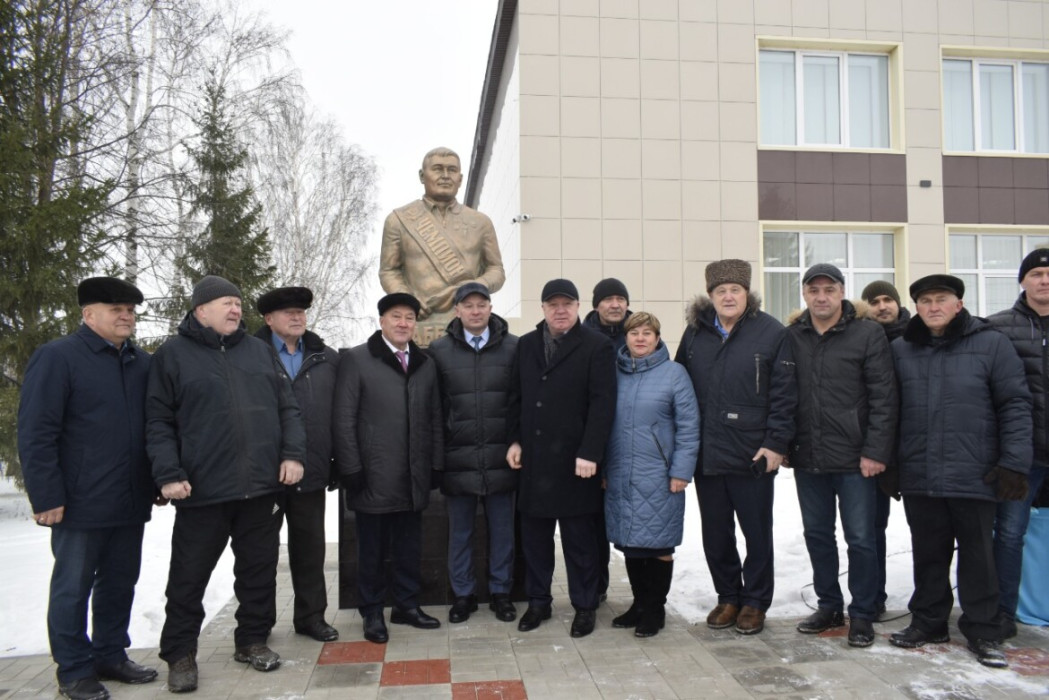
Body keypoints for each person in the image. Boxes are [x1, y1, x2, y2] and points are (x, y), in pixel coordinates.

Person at [147, 275, 306, 693]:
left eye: (238, 303)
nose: (236, 310)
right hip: (201, 491)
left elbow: (287, 408)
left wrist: (292, 454)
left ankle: (252, 640)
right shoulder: (173, 356)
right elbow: (158, 422)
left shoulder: (258, 351)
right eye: (225, 303)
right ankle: (180, 655)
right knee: (188, 578)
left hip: (260, 488)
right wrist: (168, 473)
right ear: (200, 310)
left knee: (258, 572)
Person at [18, 278, 158, 700]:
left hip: (129, 497)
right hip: (78, 502)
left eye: (131, 310)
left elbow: (154, 427)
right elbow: (36, 432)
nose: (125, 316)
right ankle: (75, 670)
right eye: (116, 309)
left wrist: (155, 480)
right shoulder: (58, 358)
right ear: (88, 314)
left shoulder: (141, 362)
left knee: (120, 583)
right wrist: (47, 496)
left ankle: (110, 655)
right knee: (72, 587)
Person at [890, 274, 1031, 668]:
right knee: (928, 553)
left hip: (976, 473)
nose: (934, 307)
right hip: (920, 472)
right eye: (925, 301)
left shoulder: (991, 344)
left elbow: (1015, 405)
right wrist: (890, 462)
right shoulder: (901, 349)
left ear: (959, 304)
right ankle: (929, 621)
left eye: (942, 299)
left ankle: (984, 631)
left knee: (978, 556)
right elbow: (888, 411)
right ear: (916, 307)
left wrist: (1013, 464)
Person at [676, 260, 796, 635]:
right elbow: (679, 387)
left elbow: (786, 395)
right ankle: (728, 596)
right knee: (716, 531)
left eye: (735, 290)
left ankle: (756, 602)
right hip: (708, 452)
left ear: (747, 294)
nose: (728, 297)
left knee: (756, 532)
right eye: (720, 291)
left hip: (753, 454)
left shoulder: (772, 332)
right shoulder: (695, 334)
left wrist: (775, 444)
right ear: (710, 296)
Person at [785, 263, 897, 648]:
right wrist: (785, 445)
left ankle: (863, 613)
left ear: (842, 293)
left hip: (856, 460)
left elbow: (884, 397)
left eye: (828, 290)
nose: (821, 297)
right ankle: (829, 605)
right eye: (813, 290)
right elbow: (783, 395)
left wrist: (875, 451)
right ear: (804, 294)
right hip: (808, 457)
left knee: (862, 539)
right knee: (817, 535)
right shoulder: (793, 336)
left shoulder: (867, 334)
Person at [507, 279, 616, 638]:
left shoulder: (596, 346)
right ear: (542, 308)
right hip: (535, 462)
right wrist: (514, 440)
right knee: (535, 541)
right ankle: (538, 602)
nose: (560, 310)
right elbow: (515, 398)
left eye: (566, 304)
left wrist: (590, 453)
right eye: (552, 304)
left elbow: (603, 405)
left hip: (575, 463)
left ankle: (584, 606)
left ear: (578, 307)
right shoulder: (525, 345)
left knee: (579, 542)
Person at [332, 293, 444, 644]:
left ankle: (407, 606)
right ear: (382, 321)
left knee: (410, 545)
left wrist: (436, 463)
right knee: (372, 550)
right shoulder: (357, 359)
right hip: (373, 475)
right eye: (396, 316)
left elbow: (435, 418)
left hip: (413, 475)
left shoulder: (425, 363)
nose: (403, 323)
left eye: (409, 317)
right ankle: (372, 611)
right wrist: (350, 467)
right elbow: (344, 417)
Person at [427, 282, 519, 623]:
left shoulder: (514, 348)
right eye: (469, 305)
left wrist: (517, 441)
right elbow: (434, 407)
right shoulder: (438, 351)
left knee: (502, 531)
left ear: (491, 308)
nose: (476, 311)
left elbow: (520, 402)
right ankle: (463, 595)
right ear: (457, 311)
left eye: (482, 304)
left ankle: (501, 593)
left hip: (502, 458)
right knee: (460, 532)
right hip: (459, 458)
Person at [605, 312, 699, 637]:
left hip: (660, 475)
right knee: (631, 543)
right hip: (621, 474)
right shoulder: (614, 374)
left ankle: (654, 609)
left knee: (658, 545)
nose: (641, 338)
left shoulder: (674, 374)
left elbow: (689, 427)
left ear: (658, 338)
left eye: (648, 333)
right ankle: (638, 604)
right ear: (626, 338)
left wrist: (681, 471)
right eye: (635, 333)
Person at [254, 286, 339, 643]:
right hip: (263, 474)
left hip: (312, 469)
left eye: (301, 311)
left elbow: (339, 413)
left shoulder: (326, 358)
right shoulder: (250, 356)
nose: (296, 317)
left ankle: (311, 617)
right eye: (288, 312)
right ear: (268, 319)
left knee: (310, 550)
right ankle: (257, 626)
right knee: (259, 554)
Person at [988, 249, 1049, 640]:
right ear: (1022, 280)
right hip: (1023, 456)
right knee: (1009, 535)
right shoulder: (998, 329)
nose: (1045, 280)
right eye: (1037, 273)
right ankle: (1002, 612)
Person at [378, 146, 505, 323]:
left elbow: (496, 270)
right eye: (438, 169)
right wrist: (408, 300)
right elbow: (388, 271)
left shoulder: (481, 222)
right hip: (419, 322)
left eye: (452, 170)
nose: (445, 175)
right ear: (422, 176)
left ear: (460, 179)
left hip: (468, 323)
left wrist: (474, 288)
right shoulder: (398, 220)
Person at [860, 279, 911, 619]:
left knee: (929, 531)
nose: (882, 306)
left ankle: (932, 600)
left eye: (887, 299)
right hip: (877, 450)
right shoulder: (863, 338)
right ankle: (874, 596)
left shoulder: (916, 336)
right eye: (874, 301)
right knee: (872, 527)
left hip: (914, 448)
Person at [582, 277, 632, 602]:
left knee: (633, 519)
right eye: (607, 299)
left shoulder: (641, 334)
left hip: (631, 442)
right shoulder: (581, 337)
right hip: (590, 442)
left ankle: (645, 592)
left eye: (620, 298)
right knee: (592, 521)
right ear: (596, 304)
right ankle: (596, 586)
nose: (614, 304)